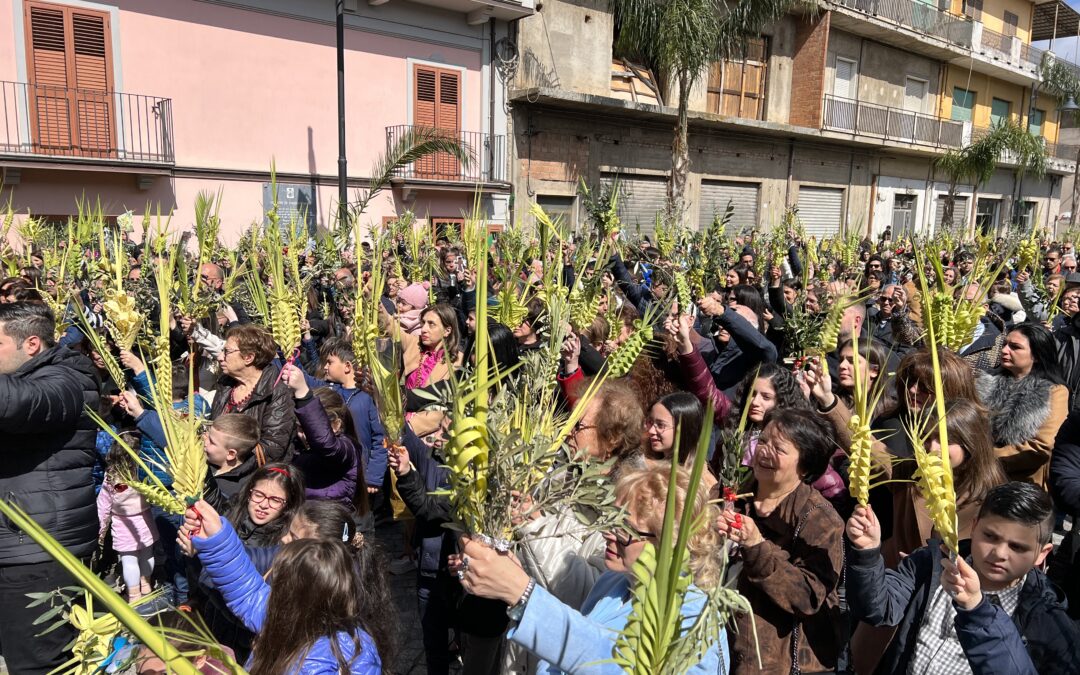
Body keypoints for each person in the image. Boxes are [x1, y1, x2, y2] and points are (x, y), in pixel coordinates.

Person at [453, 463, 730, 675]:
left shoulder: (693, 614)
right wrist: (518, 582)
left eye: (625, 529)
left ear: (669, 542)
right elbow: (579, 633)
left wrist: (522, 594)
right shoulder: (617, 582)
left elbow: (612, 662)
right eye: (612, 519)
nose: (609, 533)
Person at [846, 482, 1080, 674]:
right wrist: (867, 553)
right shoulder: (931, 564)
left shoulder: (1047, 620)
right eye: (990, 536)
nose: (999, 554)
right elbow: (876, 610)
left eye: (1017, 547)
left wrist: (976, 610)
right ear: (975, 526)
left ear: (1042, 554)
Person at [0, 302, 100, 674]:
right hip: (16, 544)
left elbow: (20, 403)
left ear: (31, 344)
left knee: (39, 664)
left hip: (38, 551)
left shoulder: (68, 379)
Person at [179, 499, 382, 673]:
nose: (271, 589)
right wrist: (215, 537)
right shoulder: (290, 616)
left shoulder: (330, 661)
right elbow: (249, 590)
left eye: (280, 583)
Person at [717, 408, 845, 673]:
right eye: (763, 441)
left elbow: (807, 596)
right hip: (716, 648)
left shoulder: (820, 520)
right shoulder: (728, 496)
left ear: (805, 466)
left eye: (779, 448)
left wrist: (756, 546)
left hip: (777, 663)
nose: (765, 451)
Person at [976, 323, 1069, 488]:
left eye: (1015, 347)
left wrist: (984, 458)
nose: (1004, 350)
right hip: (977, 479)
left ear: (1037, 355)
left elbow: (1041, 446)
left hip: (1019, 485)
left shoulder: (1054, 392)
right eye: (1004, 344)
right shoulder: (986, 380)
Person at [281, 364, 366, 510]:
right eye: (301, 428)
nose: (305, 435)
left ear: (336, 425)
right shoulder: (296, 449)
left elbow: (324, 443)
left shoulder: (347, 449)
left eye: (309, 428)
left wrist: (303, 393)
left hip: (328, 523)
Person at [210, 324, 295, 463]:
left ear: (248, 357)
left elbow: (273, 448)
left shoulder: (277, 393)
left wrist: (229, 460)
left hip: (257, 477)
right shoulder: (225, 385)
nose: (220, 357)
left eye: (227, 351)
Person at [96, 444, 161, 612]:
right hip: (146, 519)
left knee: (129, 560)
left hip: (123, 523)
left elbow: (103, 504)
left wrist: (101, 528)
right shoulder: (144, 473)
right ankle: (146, 586)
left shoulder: (111, 476)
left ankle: (133, 595)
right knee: (147, 555)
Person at [201, 413, 260, 504]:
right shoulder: (209, 461)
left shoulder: (235, 491)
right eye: (207, 435)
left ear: (231, 454)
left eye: (211, 441)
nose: (204, 440)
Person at [644, 391, 705, 463]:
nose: (651, 431)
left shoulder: (695, 473)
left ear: (684, 429)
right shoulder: (646, 462)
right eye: (650, 422)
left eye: (660, 425)